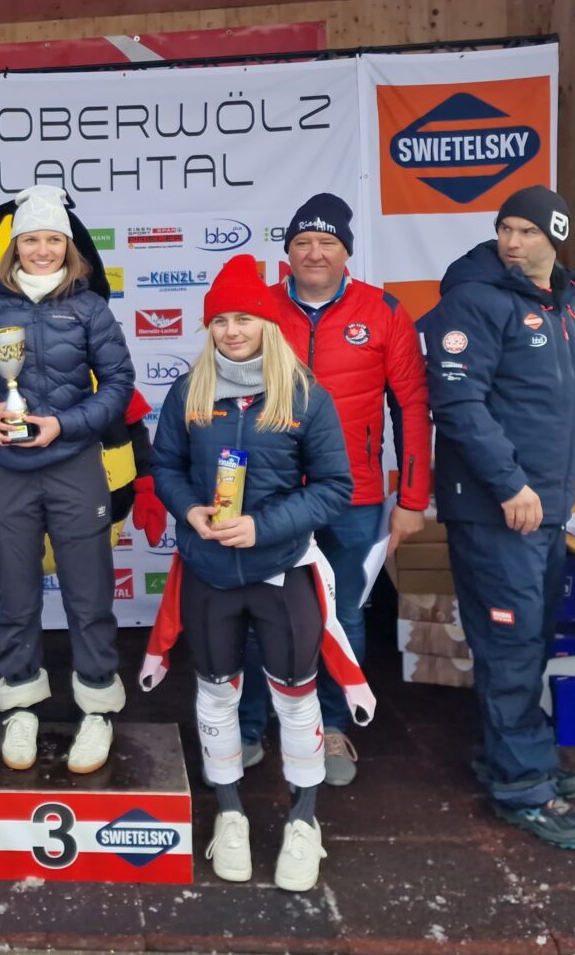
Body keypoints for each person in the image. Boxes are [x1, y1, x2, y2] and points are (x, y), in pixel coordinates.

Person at [419, 185, 575, 848]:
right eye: (505, 228)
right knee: (509, 647)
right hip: (497, 508)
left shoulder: (572, 306)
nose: (512, 241)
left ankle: (512, 754)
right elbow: (459, 406)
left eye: (527, 231)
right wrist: (510, 484)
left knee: (531, 640)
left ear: (554, 238)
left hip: (549, 506)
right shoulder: (473, 301)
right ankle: (523, 788)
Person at [146, 254, 356, 892]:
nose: (232, 331)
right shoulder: (190, 390)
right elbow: (166, 467)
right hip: (209, 572)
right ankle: (230, 813)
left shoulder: (303, 394)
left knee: (296, 696)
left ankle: (304, 820)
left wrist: (263, 527)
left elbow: (335, 487)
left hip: (280, 570)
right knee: (216, 695)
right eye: (220, 321)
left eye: (244, 319)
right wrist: (190, 510)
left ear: (267, 323)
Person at [238, 193, 431, 784]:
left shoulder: (384, 311)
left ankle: (331, 726)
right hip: (269, 495)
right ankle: (248, 726)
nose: (315, 253)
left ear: (347, 251)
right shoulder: (258, 309)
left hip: (354, 497)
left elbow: (411, 407)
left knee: (341, 614)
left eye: (327, 242)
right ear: (288, 252)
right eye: (303, 242)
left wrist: (412, 501)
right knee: (257, 611)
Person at [0, 185, 137, 773]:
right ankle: (21, 702)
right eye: (31, 240)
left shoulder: (90, 307)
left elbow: (119, 385)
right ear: (15, 246)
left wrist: (64, 424)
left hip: (75, 464)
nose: (43, 250)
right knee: (14, 592)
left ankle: (97, 707)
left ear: (69, 246)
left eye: (54, 239)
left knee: (89, 593)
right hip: (5, 469)